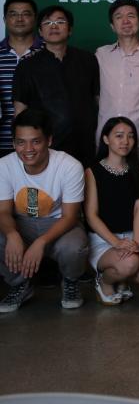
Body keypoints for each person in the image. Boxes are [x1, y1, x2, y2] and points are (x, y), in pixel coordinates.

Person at [0, 110, 88, 312]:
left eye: (36, 142)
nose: (28, 149)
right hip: (21, 223)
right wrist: (12, 234)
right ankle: (20, 285)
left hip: (59, 224)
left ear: (49, 140)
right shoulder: (4, 165)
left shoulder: (69, 166)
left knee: (74, 246)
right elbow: (3, 212)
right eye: (21, 142)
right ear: (13, 143)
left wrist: (41, 242)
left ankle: (70, 282)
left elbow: (70, 216)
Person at [85, 117, 139, 306]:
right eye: (119, 136)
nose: (125, 141)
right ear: (105, 139)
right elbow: (91, 215)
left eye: (130, 136)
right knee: (130, 263)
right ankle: (104, 281)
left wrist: (136, 242)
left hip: (131, 236)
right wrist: (116, 242)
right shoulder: (92, 171)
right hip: (103, 238)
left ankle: (123, 278)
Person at [13, 5, 100, 166]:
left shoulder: (88, 60)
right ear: (40, 31)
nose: (54, 26)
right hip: (47, 145)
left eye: (60, 21)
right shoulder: (27, 66)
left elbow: (97, 100)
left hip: (85, 144)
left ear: (70, 29)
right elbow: (20, 111)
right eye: (48, 23)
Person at [95, 0, 139, 167]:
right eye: (119, 17)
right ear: (112, 25)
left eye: (131, 16)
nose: (125, 21)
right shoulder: (100, 55)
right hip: (106, 141)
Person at [0, 0, 43, 156]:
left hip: (39, 144)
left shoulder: (49, 52)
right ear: (5, 19)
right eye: (13, 14)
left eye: (26, 14)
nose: (19, 19)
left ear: (35, 19)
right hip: (2, 142)